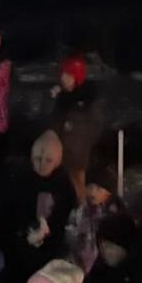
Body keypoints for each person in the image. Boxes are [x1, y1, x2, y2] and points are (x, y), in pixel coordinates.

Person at [6, 129, 77, 283]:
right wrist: (26, 233)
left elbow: (63, 220)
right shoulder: (21, 179)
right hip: (20, 248)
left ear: (57, 161)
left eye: (48, 160)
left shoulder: (64, 186)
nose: (42, 164)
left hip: (50, 252)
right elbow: (12, 213)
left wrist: (46, 237)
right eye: (38, 159)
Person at [49, 55, 101, 203]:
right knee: (71, 176)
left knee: (78, 175)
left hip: (79, 144)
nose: (63, 78)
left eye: (68, 75)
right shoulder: (62, 96)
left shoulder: (85, 96)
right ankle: (80, 203)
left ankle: (82, 204)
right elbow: (55, 118)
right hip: (66, 144)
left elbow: (91, 120)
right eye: (63, 74)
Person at [65, 165, 124, 273]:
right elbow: (70, 234)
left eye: (98, 188)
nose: (92, 192)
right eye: (89, 187)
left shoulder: (116, 216)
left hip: (106, 268)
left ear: (109, 192)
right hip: (79, 265)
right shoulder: (80, 210)